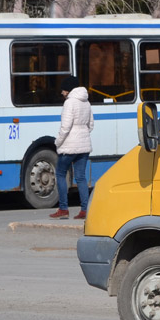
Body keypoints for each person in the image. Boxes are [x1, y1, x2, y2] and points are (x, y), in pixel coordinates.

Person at [50, 75, 94, 220]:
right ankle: (84, 210)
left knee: (61, 174)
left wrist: (58, 142)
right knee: (81, 177)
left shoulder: (69, 103)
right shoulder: (86, 102)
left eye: (63, 89)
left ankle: (63, 209)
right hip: (84, 145)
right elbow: (91, 125)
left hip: (69, 145)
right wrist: (82, 134)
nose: (62, 92)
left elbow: (65, 126)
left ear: (68, 90)